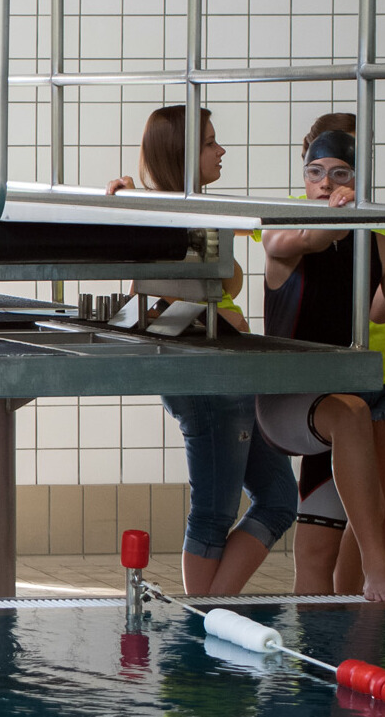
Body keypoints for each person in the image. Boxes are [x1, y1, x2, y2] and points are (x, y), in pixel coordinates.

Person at [107, 105, 297, 596]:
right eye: (210, 142)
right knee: (214, 511)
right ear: (182, 153)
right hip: (206, 380)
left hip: (227, 375)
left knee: (277, 498)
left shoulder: (199, 214)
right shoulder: (159, 216)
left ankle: (214, 610)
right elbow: (153, 295)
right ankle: (206, 623)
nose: (221, 150)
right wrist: (220, 319)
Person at [257, 128, 385, 602]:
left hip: (336, 407)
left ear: (360, 179)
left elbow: (381, 310)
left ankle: (327, 665)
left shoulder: (374, 242)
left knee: (316, 553)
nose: (325, 184)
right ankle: (382, 570)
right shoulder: (281, 229)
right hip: (285, 402)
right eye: (316, 173)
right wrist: (345, 213)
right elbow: (311, 238)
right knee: (352, 413)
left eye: (340, 174)